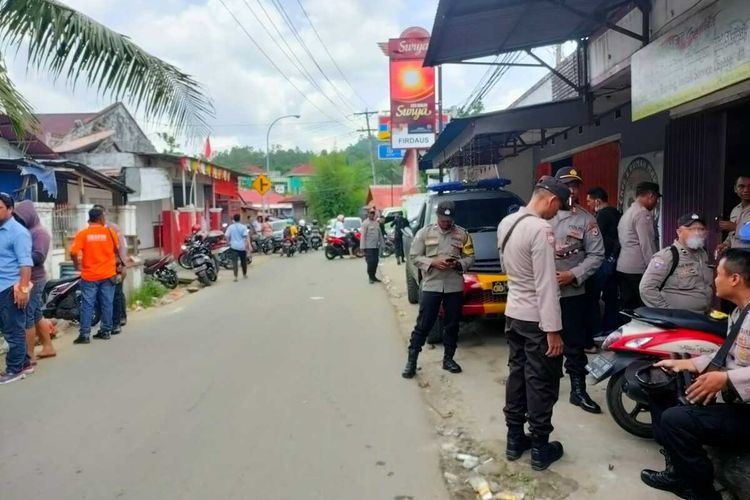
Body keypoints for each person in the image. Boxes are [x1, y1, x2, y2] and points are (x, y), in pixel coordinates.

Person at [640, 248, 750, 500]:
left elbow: (731, 370)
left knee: (675, 420)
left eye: (719, 274)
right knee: (663, 384)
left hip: (744, 408)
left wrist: (725, 379)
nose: (714, 280)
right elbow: (728, 356)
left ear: (735, 279)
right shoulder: (738, 312)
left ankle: (702, 493)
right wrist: (687, 365)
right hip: (734, 394)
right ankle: (678, 472)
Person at [497, 176, 567, 470]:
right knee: (541, 382)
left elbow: (507, 268)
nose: (557, 213)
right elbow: (546, 285)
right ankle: (539, 447)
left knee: (517, 375)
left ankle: (514, 439)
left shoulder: (507, 223)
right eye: (559, 206)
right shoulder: (541, 229)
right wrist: (553, 330)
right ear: (550, 200)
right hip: (537, 319)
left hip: (513, 313)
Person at [549, 168, 605, 414]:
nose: (571, 190)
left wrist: (574, 274)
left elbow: (597, 254)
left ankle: (577, 390)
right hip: (545, 294)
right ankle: (544, 388)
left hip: (573, 292)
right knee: (543, 342)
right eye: (567, 185)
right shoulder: (541, 216)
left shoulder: (585, 218)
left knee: (574, 342)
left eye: (575, 185)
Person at [402, 201, 475, 378]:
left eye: (449, 220)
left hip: (453, 285)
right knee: (424, 324)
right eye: (443, 219)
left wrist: (459, 263)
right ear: (438, 217)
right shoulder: (425, 233)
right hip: (431, 285)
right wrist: (432, 262)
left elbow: (471, 256)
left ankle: (448, 358)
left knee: (452, 324)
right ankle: (412, 361)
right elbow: (414, 256)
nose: (446, 223)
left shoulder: (463, 234)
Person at [640, 213, 714, 313]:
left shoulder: (703, 254)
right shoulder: (667, 256)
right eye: (691, 229)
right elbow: (646, 288)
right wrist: (667, 313)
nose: (697, 233)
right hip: (679, 321)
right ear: (679, 232)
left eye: (701, 229)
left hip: (703, 316)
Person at [70, 207, 118, 343]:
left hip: (89, 275)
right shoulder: (110, 232)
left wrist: (76, 265)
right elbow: (116, 249)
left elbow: (73, 252)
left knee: (87, 304)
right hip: (108, 274)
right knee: (107, 303)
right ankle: (106, 331)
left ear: (90, 219)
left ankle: (84, 335)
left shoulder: (83, 234)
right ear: (101, 218)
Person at [14, 201, 55, 362]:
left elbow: (39, 256)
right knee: (37, 315)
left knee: (27, 316)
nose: (19, 220)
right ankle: (48, 347)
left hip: (35, 279)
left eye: (21, 217)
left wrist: (18, 258)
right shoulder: (27, 231)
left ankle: (29, 356)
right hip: (28, 278)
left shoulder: (39, 233)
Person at [0, 193, 33, 384]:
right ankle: (26, 362)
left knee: (13, 331)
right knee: (8, 328)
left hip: (10, 288)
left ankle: (15, 368)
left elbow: (25, 264)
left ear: (10, 209)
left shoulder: (18, 232)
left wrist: (22, 289)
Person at [584, 187, 622, 348]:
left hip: (602, 261)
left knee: (593, 297)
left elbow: (595, 240)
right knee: (611, 296)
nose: (588, 204)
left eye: (589, 201)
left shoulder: (603, 215)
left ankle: (597, 331)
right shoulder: (617, 213)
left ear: (597, 201)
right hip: (615, 261)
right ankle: (610, 327)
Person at [616, 181, 661, 310]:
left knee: (626, 306)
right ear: (651, 196)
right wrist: (655, 269)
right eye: (656, 199)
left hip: (624, 266)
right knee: (639, 308)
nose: (656, 203)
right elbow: (647, 245)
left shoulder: (628, 212)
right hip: (638, 269)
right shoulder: (643, 213)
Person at [93, 205, 128, 335]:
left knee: (116, 294)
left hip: (114, 266)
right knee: (103, 297)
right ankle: (108, 323)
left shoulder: (113, 228)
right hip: (99, 268)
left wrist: (123, 265)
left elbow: (122, 248)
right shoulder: (91, 230)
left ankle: (117, 322)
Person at [717, 175, 750, 253]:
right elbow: (732, 235)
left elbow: (734, 229)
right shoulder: (735, 210)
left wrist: (735, 227)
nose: (746, 190)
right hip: (737, 258)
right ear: (735, 189)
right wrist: (726, 244)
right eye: (741, 186)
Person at [360, 208, 384, 284]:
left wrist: (383, 244)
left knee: (375, 262)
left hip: (376, 246)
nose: (372, 214)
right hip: (368, 247)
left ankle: (374, 276)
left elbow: (380, 234)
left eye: (373, 213)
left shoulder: (376, 223)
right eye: (371, 213)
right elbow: (363, 236)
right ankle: (370, 277)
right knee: (370, 262)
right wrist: (362, 247)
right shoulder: (365, 223)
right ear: (368, 214)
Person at [225, 213, 250, 281]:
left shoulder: (230, 227)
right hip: (242, 247)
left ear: (234, 219)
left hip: (233, 247)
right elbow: (246, 237)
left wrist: (228, 243)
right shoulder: (243, 227)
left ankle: (235, 277)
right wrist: (248, 246)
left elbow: (226, 236)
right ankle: (244, 274)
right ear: (240, 219)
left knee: (234, 262)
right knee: (243, 261)